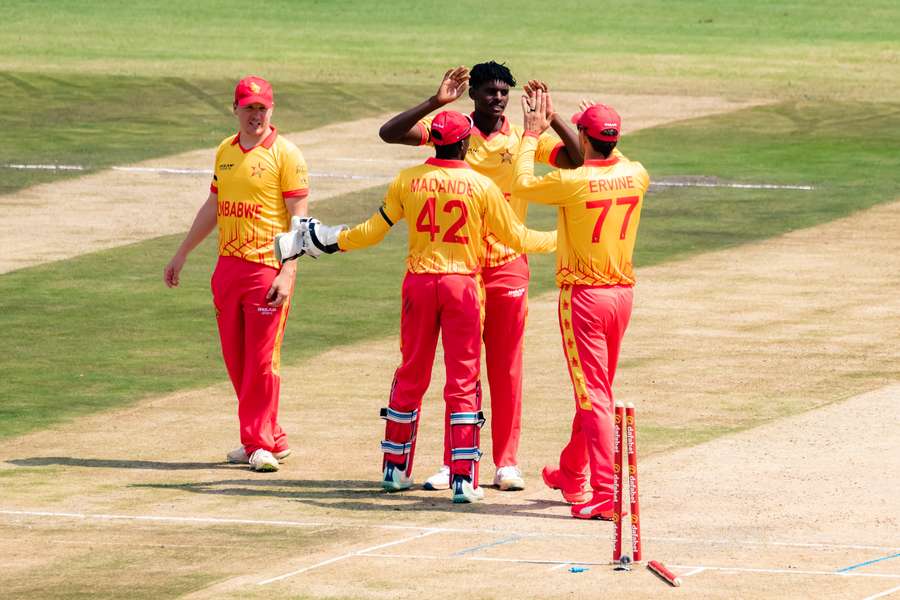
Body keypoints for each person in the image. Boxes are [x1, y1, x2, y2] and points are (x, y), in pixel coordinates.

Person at [278, 110, 555, 503]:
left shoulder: (408, 181)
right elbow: (516, 237)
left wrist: (327, 240)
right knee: (463, 380)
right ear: (463, 144)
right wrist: (564, 239)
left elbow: (372, 232)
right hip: (462, 285)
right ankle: (463, 478)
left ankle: (393, 470)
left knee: (411, 373)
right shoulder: (480, 186)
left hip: (419, 285)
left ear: (437, 142)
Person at [377, 62, 583, 492]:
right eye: (489, 91)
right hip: (458, 267)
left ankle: (506, 462)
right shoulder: (452, 130)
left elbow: (577, 158)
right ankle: (456, 463)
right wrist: (436, 102)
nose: (498, 98)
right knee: (460, 370)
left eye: (503, 91)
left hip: (507, 261)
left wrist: (553, 118)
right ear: (474, 94)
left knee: (505, 366)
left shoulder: (522, 137)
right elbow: (391, 134)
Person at [512, 90, 649, 519]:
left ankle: (606, 494)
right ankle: (571, 472)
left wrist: (533, 134)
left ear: (585, 139)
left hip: (584, 299)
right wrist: (563, 123)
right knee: (597, 394)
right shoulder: (636, 173)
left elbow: (521, 183)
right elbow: (608, 153)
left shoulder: (573, 183)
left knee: (594, 398)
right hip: (622, 296)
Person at [164, 76, 309, 472]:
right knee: (236, 361)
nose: (255, 115)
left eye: (262, 108)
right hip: (227, 267)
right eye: (249, 108)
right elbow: (214, 206)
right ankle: (269, 437)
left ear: (271, 110)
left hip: (267, 269)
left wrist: (288, 270)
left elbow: (300, 218)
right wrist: (182, 254)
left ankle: (258, 443)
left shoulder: (286, 154)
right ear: (236, 109)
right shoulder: (225, 152)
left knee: (262, 362)